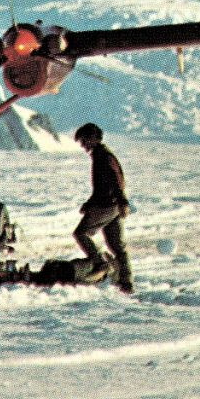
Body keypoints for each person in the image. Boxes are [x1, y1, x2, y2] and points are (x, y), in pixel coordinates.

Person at [72, 123, 133, 292]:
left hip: (106, 205)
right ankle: (126, 282)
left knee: (81, 233)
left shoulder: (103, 157)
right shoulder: (104, 155)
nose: (83, 145)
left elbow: (115, 181)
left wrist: (122, 201)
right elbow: (103, 186)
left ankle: (100, 263)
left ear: (93, 139)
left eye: (84, 141)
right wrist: (90, 203)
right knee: (118, 247)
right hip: (112, 206)